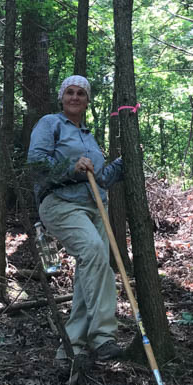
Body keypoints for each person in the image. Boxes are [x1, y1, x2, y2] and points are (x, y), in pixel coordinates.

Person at [27, 75, 125, 363]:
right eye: (69, 92)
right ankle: (103, 336)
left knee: (93, 269)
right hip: (61, 202)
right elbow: (36, 162)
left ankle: (72, 348)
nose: (75, 97)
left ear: (87, 100)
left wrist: (124, 162)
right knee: (94, 251)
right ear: (61, 97)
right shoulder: (51, 123)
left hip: (95, 207)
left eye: (81, 93)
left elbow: (100, 178)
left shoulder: (89, 136)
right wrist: (72, 166)